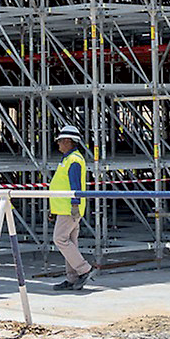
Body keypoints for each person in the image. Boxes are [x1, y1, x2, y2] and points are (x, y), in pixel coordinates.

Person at [49, 124, 94, 290]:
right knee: (70, 242)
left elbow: (75, 185)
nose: (58, 144)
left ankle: (84, 269)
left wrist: (74, 205)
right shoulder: (68, 159)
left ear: (68, 141)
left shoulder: (74, 160)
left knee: (60, 239)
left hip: (69, 208)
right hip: (64, 207)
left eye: (60, 141)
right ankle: (73, 278)